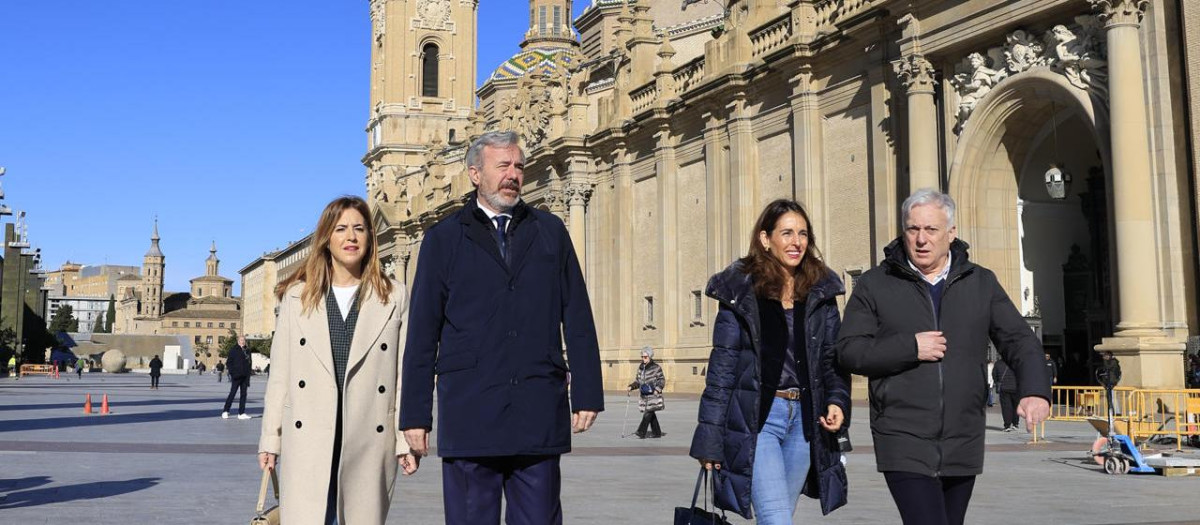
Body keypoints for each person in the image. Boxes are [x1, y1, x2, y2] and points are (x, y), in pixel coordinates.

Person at [400, 131, 604, 525]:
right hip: (471, 413)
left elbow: (577, 313)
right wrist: (415, 416)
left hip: (537, 410)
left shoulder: (551, 231)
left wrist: (588, 392)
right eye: (503, 166)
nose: (513, 174)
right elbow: (422, 334)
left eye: (519, 166)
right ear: (475, 173)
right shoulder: (443, 239)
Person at [836, 189, 1051, 525]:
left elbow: (1020, 340)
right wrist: (910, 347)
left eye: (931, 230)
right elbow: (849, 350)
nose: (921, 239)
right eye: (913, 229)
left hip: (962, 436)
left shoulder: (980, 282)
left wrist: (1035, 390)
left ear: (951, 234)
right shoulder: (876, 284)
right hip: (901, 435)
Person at [258, 195, 418, 525]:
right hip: (308, 438)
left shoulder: (394, 295)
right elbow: (281, 376)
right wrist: (270, 440)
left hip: (368, 440)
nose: (351, 237)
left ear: (370, 238)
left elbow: (403, 374)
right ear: (326, 239)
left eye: (359, 228)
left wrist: (404, 440)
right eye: (341, 228)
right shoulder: (297, 297)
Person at [690, 199, 851, 522]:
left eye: (803, 234)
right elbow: (722, 369)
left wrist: (837, 401)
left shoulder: (820, 290)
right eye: (787, 233)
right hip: (759, 420)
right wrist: (709, 439)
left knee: (778, 515)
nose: (797, 242)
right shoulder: (740, 291)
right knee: (777, 518)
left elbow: (832, 358)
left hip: (806, 424)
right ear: (765, 239)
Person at [628, 346, 665, 439]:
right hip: (644, 395)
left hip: (653, 395)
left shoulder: (656, 367)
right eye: (642, 357)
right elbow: (638, 381)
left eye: (645, 357)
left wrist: (657, 389)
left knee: (648, 412)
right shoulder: (641, 368)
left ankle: (641, 431)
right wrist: (631, 386)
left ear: (650, 356)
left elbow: (661, 380)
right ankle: (657, 433)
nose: (643, 359)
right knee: (651, 413)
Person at [222, 335, 252, 420]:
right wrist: (233, 373)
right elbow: (229, 363)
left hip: (245, 376)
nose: (243, 341)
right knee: (232, 393)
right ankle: (225, 411)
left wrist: (248, 375)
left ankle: (241, 413)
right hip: (236, 376)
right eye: (241, 340)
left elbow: (250, 363)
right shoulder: (234, 350)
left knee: (244, 395)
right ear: (238, 341)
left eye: (244, 340)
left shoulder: (248, 350)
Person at [992, 359, 1020, 431]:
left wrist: (997, 381)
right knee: (1016, 406)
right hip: (1016, 387)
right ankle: (1015, 424)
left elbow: (994, 374)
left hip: (1004, 388)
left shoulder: (998, 363)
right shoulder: (1016, 362)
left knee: (1006, 407)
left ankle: (1007, 425)